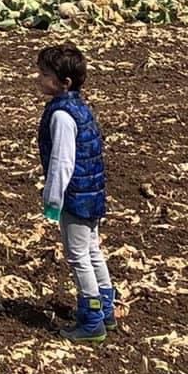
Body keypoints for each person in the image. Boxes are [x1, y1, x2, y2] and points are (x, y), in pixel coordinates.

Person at [37, 41, 116, 343]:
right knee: (92, 251)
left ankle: (91, 319)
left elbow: (62, 163)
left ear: (64, 83)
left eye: (45, 74)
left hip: (75, 197)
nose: (39, 79)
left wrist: (52, 201)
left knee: (78, 256)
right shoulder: (80, 107)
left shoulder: (61, 116)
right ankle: (105, 310)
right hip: (91, 191)